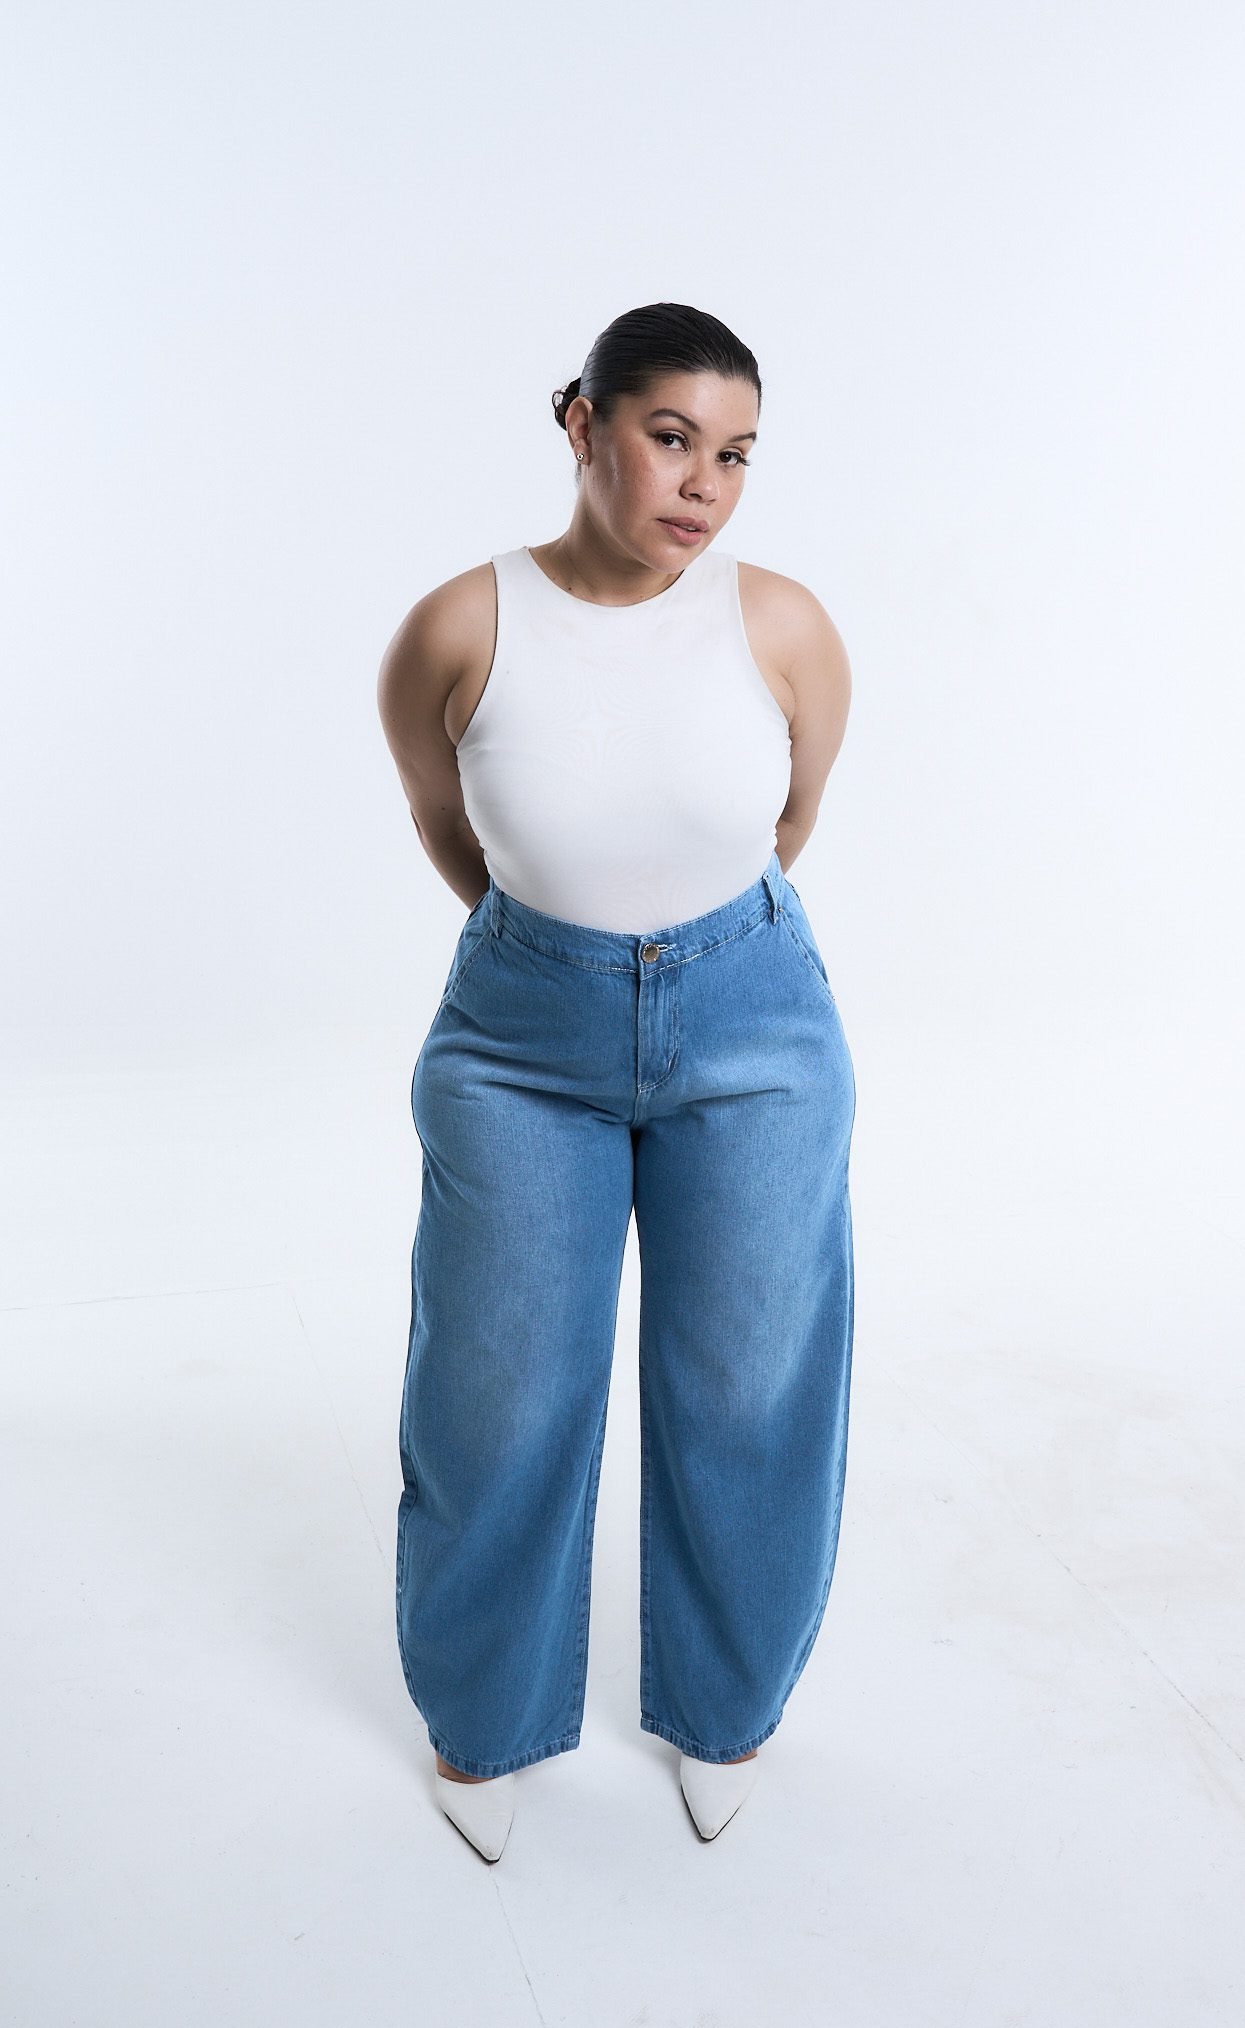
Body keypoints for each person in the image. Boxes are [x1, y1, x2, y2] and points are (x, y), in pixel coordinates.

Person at [376, 302, 856, 1861]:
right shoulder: (460, 626)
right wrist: (564, 952)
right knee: (498, 1387)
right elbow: (451, 828)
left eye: (737, 454)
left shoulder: (781, 625)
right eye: (670, 438)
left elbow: (785, 826)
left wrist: (676, 953)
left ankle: (727, 1707)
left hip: (753, 1030)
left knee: (748, 1382)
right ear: (581, 423)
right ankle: (482, 1718)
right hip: (522, 1044)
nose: (705, 483)